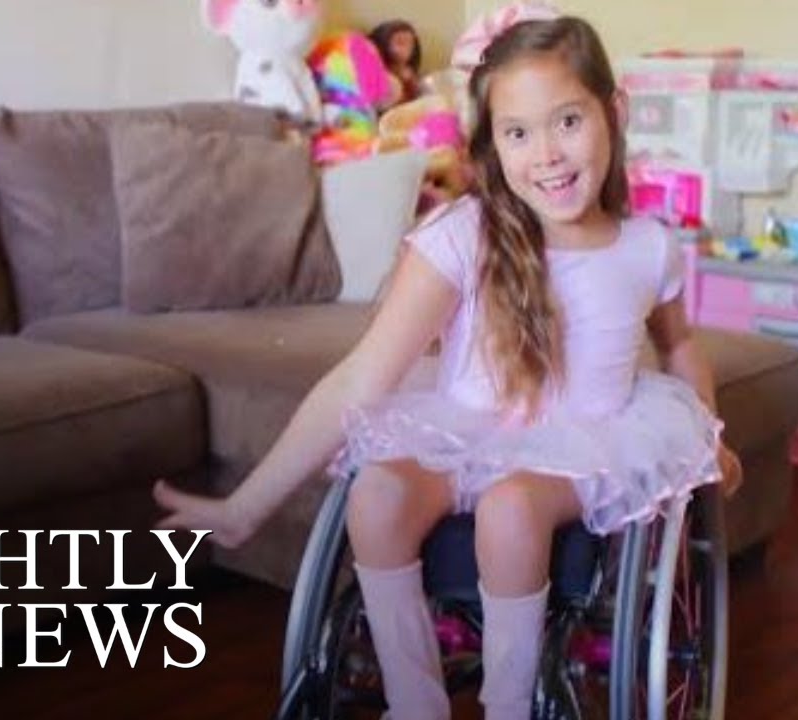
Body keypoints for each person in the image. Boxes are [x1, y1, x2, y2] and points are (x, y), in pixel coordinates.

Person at [155, 12, 742, 720]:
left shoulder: (648, 248)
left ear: (613, 113)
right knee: (376, 492)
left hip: (582, 447)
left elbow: (678, 346)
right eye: (518, 132)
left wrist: (707, 438)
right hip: (463, 432)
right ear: (493, 144)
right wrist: (245, 508)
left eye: (567, 121)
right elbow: (361, 376)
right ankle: (415, 705)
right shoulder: (463, 235)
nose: (547, 154)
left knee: (511, 508)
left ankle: (507, 705)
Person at [369, 19, 422, 103]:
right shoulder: (384, 77)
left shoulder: (410, 72)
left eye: (411, 43)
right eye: (400, 42)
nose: (407, 48)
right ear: (384, 44)